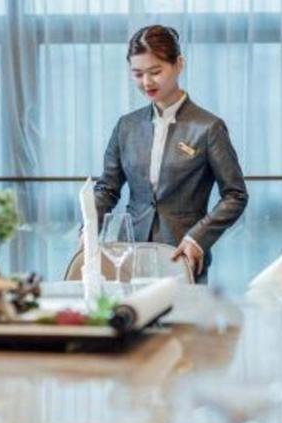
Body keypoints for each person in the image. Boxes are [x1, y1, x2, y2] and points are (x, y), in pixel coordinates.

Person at [94, 25, 248, 283]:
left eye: (155, 72)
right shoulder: (126, 126)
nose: (146, 82)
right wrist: (88, 229)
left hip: (181, 254)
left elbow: (236, 195)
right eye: (137, 74)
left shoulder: (208, 127)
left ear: (178, 64)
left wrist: (197, 238)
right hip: (130, 255)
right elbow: (107, 188)